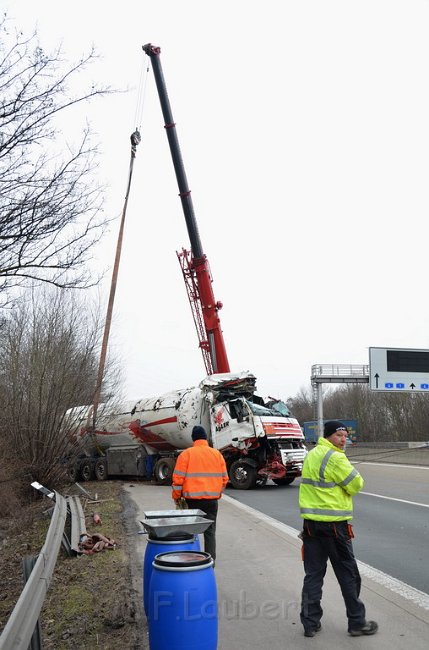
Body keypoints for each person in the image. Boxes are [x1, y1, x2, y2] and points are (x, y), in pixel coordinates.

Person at [298, 420, 378, 638]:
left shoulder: (312, 454)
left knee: (313, 574)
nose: (344, 440)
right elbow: (356, 484)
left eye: (345, 436)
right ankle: (357, 622)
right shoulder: (335, 457)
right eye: (339, 436)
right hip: (334, 527)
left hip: (310, 526)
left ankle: (310, 623)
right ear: (329, 436)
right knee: (348, 574)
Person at [171, 425, 228, 562]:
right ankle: (210, 563)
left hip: (192, 501)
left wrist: (177, 497)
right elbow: (224, 479)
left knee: (190, 531)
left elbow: (178, 480)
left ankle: (192, 562)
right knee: (210, 532)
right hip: (211, 501)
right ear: (206, 438)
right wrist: (216, 494)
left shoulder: (186, 454)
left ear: (193, 439)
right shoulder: (217, 454)